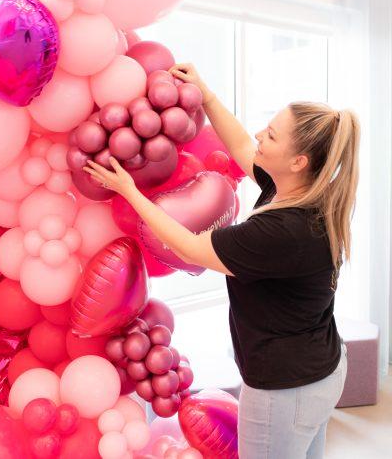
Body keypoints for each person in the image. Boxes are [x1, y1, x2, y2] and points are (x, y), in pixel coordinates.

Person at [84, 62, 360, 459]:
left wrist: (129, 191)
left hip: (286, 389)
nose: (260, 135)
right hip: (321, 368)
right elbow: (244, 147)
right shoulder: (305, 192)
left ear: (299, 161)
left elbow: (189, 247)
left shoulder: (281, 232)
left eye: (272, 135)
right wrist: (208, 96)